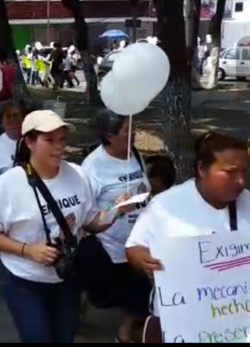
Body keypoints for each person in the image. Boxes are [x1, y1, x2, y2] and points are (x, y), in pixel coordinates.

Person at [0, 110, 130, 343]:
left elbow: (90, 223)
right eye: (49, 140)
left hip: (67, 280)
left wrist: (115, 212)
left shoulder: (78, 175)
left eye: (62, 140)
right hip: (25, 283)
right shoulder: (8, 184)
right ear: (29, 142)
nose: (58, 147)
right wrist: (28, 250)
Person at [126, 131, 250, 342]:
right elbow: (133, 248)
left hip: (236, 321)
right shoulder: (165, 205)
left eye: (244, 172)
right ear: (202, 169)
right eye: (230, 172)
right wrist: (142, 260)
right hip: (179, 323)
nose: (240, 181)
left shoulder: (249, 202)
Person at [80, 109, 152, 343]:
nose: (134, 133)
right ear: (109, 136)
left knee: (139, 287)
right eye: (126, 130)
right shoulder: (93, 166)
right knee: (103, 293)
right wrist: (116, 209)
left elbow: (144, 187)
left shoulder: (136, 155)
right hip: (107, 243)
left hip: (137, 240)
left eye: (134, 127)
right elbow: (86, 212)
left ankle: (126, 330)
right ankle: (82, 305)